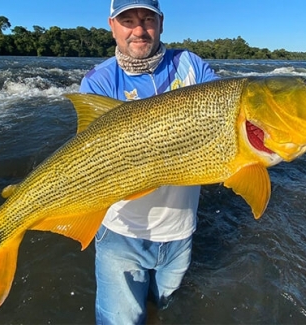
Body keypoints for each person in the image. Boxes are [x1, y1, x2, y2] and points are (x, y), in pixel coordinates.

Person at [78, 0, 219, 324]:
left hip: (180, 232)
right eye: (127, 20)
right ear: (112, 25)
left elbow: (230, 113)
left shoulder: (191, 65)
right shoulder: (98, 82)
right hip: (120, 234)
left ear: (161, 23)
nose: (139, 29)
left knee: (161, 308)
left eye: (147, 19)